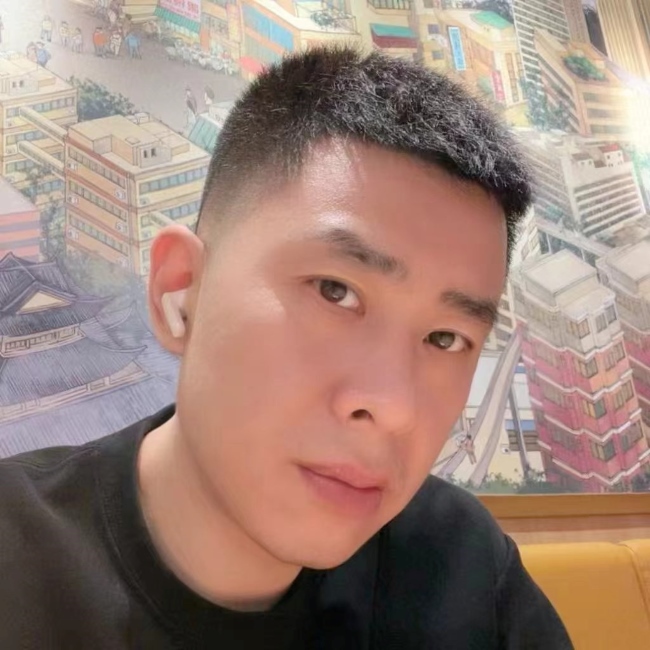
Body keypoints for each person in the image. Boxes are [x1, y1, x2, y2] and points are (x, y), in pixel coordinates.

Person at [0, 46, 574, 649]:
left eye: (445, 338)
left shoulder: (461, 568)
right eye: (335, 291)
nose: (394, 406)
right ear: (182, 293)